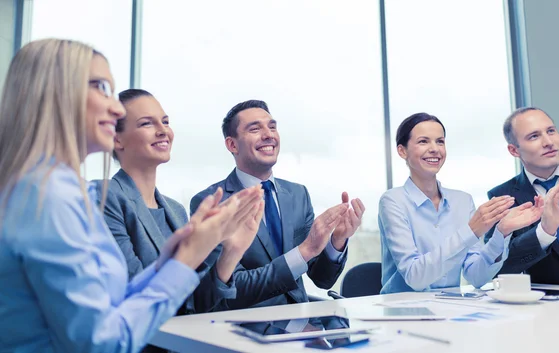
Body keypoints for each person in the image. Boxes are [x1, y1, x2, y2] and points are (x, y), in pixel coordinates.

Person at [0, 39, 262, 353]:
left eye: (165, 121)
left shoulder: (64, 189)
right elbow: (102, 342)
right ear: (53, 93)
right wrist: (188, 257)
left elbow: (113, 303)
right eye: (99, 87)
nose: (114, 108)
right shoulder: (47, 196)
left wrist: (177, 258)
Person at [190, 99, 365, 309]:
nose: (268, 134)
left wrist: (337, 241)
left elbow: (321, 279)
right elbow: (230, 289)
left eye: (272, 127)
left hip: (300, 323)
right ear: (232, 144)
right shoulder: (211, 202)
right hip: (245, 327)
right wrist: (304, 250)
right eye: (255, 128)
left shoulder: (297, 194)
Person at [103, 89, 258, 314]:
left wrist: (231, 251)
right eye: (147, 123)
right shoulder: (107, 197)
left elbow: (196, 303)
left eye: (165, 122)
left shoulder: (175, 210)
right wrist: (197, 244)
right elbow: (133, 294)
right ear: (117, 139)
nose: (162, 131)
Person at [379, 112, 542, 293]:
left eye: (440, 141)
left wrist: (501, 233)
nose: (435, 149)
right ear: (402, 151)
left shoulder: (462, 201)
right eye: (423, 141)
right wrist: (470, 231)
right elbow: (415, 277)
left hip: (449, 310)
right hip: (402, 312)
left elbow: (476, 277)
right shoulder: (393, 201)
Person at [485, 107, 559, 285]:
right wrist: (543, 233)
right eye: (534, 136)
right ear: (514, 150)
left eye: (551, 131)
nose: (548, 142)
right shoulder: (502, 197)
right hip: (544, 308)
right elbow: (497, 269)